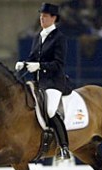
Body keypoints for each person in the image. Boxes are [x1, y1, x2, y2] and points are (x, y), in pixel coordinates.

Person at [15, 2, 71, 160]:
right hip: (38, 83)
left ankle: (64, 147)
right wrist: (24, 64)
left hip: (53, 82)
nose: (42, 18)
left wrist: (39, 66)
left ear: (53, 18)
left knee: (51, 110)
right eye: (41, 16)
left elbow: (58, 64)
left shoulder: (59, 38)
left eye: (45, 16)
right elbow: (33, 58)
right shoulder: (38, 36)